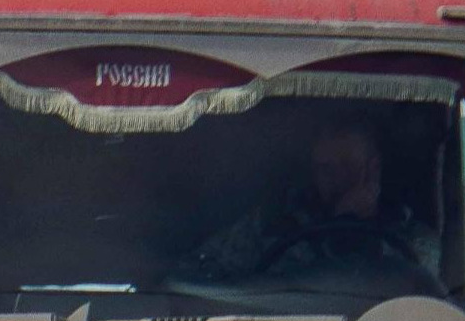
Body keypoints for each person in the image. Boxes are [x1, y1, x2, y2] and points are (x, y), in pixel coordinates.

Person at [189, 123, 441, 296]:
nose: (337, 179)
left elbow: (427, 304)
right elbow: (198, 275)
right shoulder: (269, 227)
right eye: (325, 169)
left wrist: (351, 230)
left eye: (348, 166)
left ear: (373, 169)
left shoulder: (413, 240)